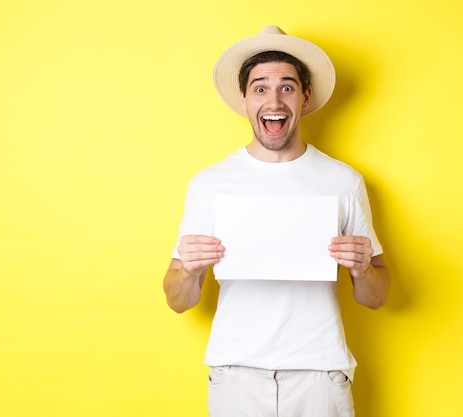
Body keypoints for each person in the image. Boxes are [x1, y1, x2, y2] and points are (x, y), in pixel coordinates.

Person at [163, 25, 390, 417]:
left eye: (286, 87)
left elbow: (377, 296)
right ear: (244, 99)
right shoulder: (210, 183)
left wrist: (363, 269)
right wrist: (188, 271)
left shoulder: (343, 180)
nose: (274, 99)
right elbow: (178, 300)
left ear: (305, 96)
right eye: (260, 87)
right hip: (236, 377)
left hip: (320, 374)